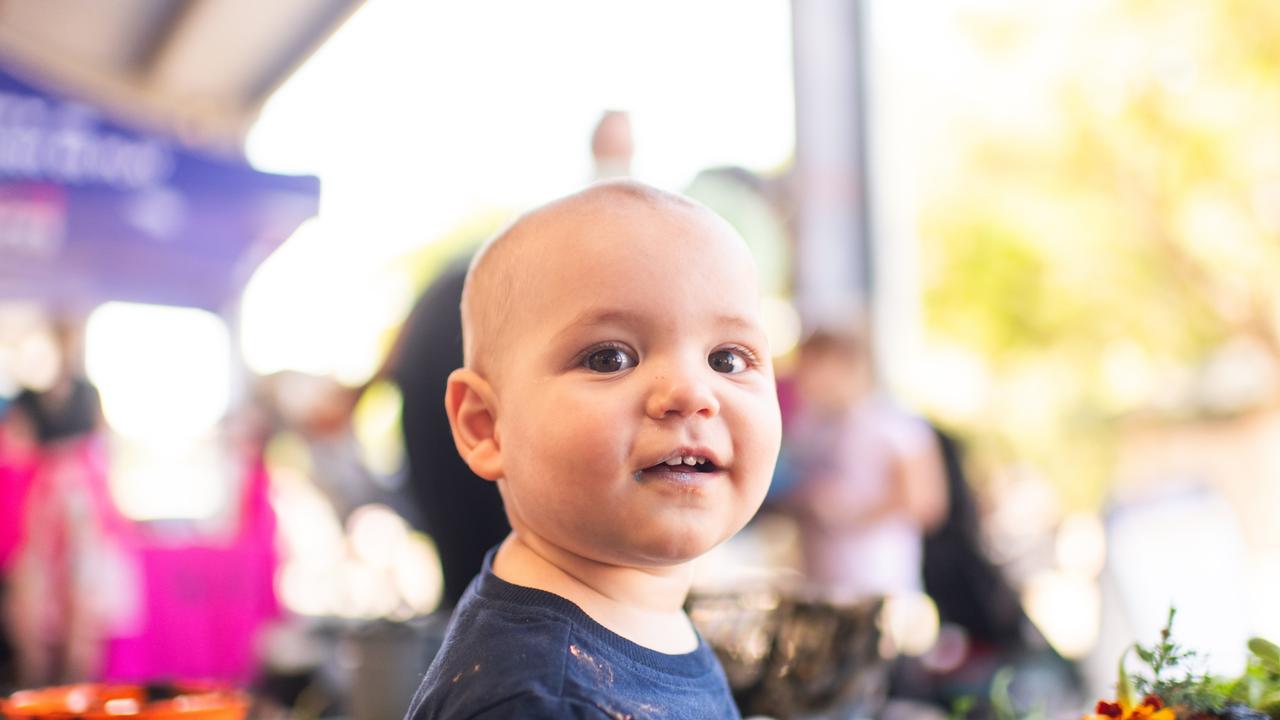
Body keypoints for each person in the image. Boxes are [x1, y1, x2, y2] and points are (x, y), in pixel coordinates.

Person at [405, 180, 782, 719]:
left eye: (726, 360)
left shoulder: (643, 615)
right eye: (610, 358)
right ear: (487, 427)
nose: (692, 394)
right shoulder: (537, 699)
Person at [778, 327, 947, 599]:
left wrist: (850, 515)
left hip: (880, 584)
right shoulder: (807, 425)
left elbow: (926, 503)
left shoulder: (895, 423)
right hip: (820, 583)